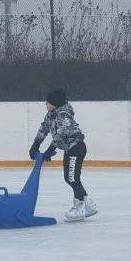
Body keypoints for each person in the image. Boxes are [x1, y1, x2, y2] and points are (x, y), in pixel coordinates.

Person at [29, 88, 98, 222]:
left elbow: (62, 133)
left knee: (72, 178)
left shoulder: (64, 114)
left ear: (55, 102)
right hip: (69, 149)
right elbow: (43, 128)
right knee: (70, 178)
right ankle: (88, 204)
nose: (45, 104)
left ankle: (79, 206)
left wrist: (50, 149)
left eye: (48, 102)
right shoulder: (51, 114)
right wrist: (35, 145)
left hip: (76, 148)